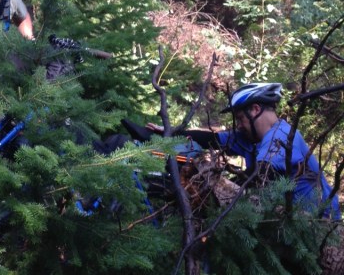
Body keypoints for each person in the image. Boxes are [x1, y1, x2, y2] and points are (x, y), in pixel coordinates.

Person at [133, 82, 340, 219]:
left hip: (316, 222)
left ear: (255, 110)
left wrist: (207, 184)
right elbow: (211, 139)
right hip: (284, 217)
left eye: (240, 118)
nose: (238, 125)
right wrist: (169, 133)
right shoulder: (251, 137)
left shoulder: (281, 136)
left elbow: (256, 177)